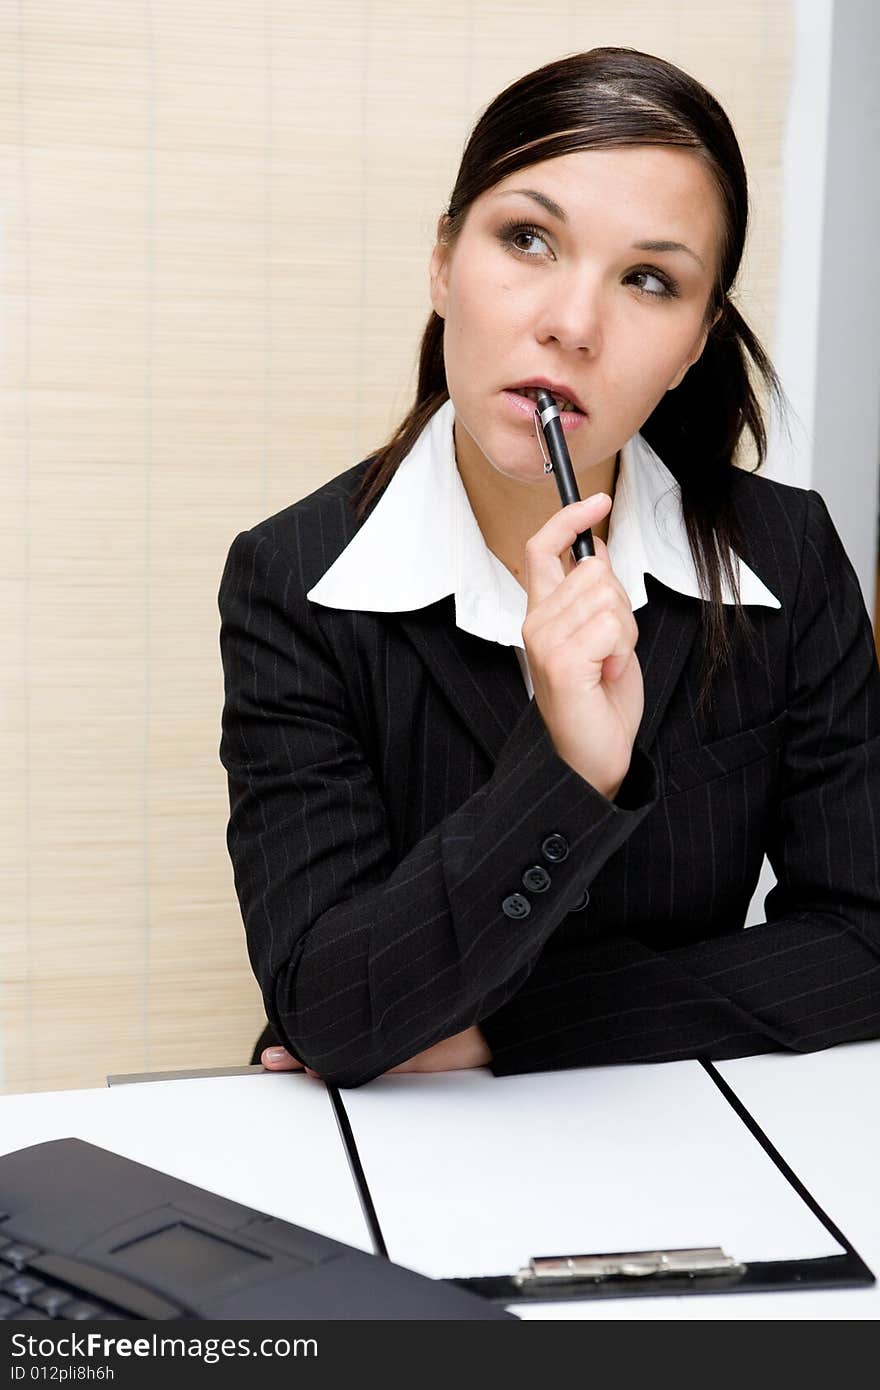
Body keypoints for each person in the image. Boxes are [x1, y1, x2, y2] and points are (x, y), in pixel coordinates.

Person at [218, 48, 880, 1089]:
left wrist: (515, 1031)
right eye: (527, 239)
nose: (572, 323)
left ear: (694, 343)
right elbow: (335, 1012)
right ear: (443, 263)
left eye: (648, 280)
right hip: (402, 1157)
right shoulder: (293, 581)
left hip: (679, 1133)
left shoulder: (785, 557)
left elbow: (862, 943)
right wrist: (566, 772)